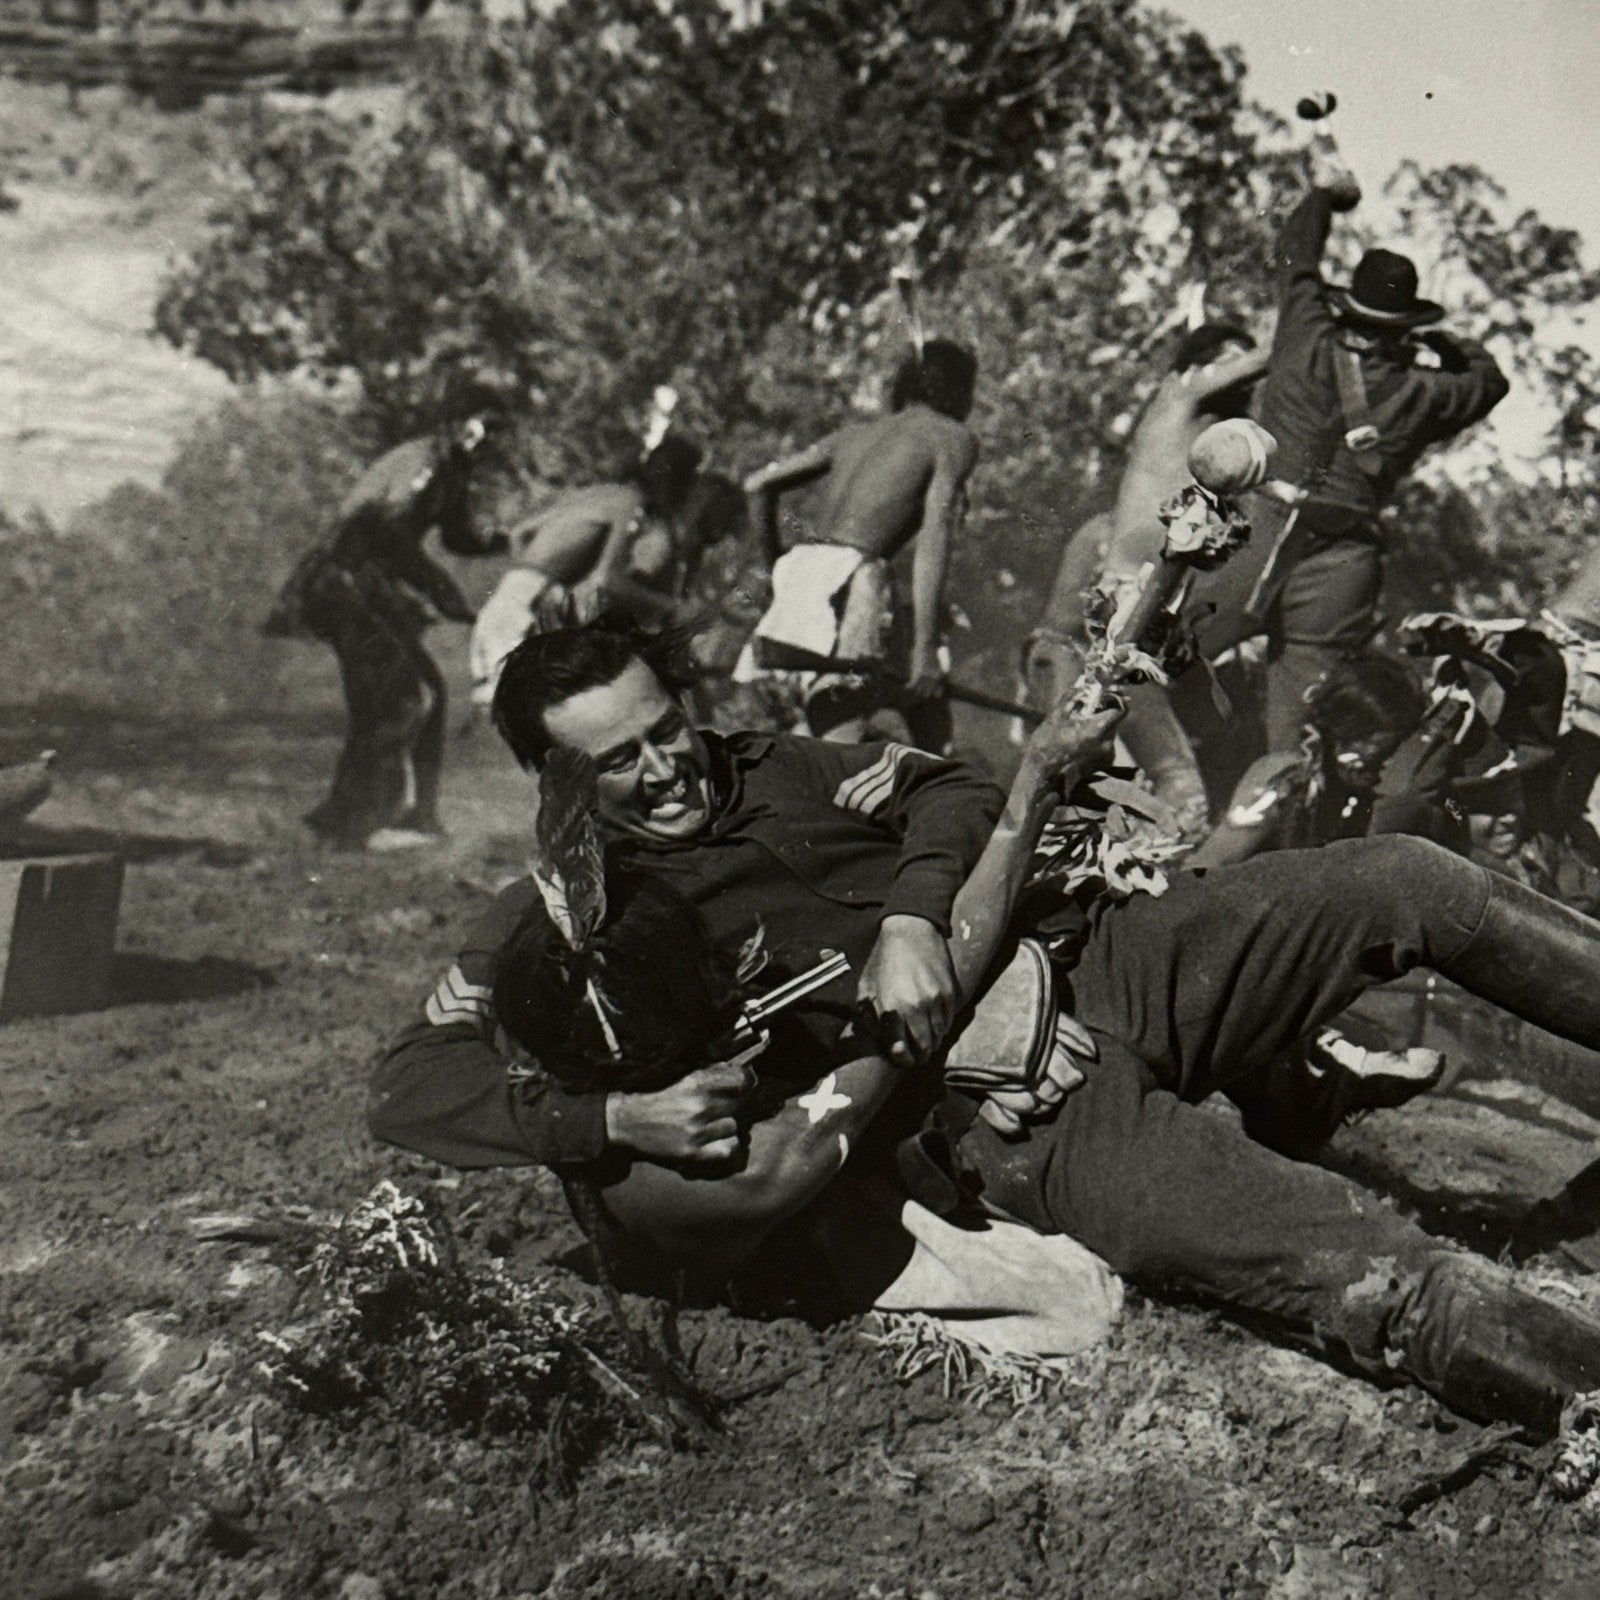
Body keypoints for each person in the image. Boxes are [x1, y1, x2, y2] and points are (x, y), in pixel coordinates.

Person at [371, 614, 1600, 1434]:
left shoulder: (768, 762)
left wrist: (913, 915)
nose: (668, 771)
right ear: (558, 783)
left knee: (1406, 875)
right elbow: (406, 1085)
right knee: (1369, 1264)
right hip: (1009, 1117)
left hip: (1103, 957)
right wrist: (608, 1112)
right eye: (619, 763)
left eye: (666, 731)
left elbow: (948, 789)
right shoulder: (549, 913)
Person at [1179, 167, 1509, 754]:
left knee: (1162, 659)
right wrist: (1441, 340)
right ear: (1404, 323)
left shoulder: (1303, 329)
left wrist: (1324, 198)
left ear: (1347, 306)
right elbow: (1488, 381)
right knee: (1302, 722)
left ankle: (1195, 764)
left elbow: (1296, 254)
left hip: (1255, 526)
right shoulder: (1425, 391)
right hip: (1342, 558)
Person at [1023, 323, 1268, 833]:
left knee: (1197, 762)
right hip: (1122, 612)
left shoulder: (1222, 447)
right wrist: (1298, 339)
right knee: (1178, 792)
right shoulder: (1177, 396)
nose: (1239, 378)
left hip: (1156, 624)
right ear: (1192, 366)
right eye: (1228, 363)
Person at [266, 417, 503, 851]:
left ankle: (410, 816)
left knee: (426, 693)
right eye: (477, 428)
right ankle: (360, 821)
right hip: (345, 581)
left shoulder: (449, 473)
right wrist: (437, 588)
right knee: (400, 699)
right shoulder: (422, 461)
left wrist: (500, 542)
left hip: (368, 585)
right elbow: (380, 528)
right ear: (458, 426)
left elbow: (457, 535)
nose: (484, 442)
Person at [736, 340, 980, 749]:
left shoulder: (853, 435)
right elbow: (933, 542)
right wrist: (924, 649)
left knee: (926, 719)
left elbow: (758, 485)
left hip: (804, 572)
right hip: (853, 582)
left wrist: (776, 568)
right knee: (840, 741)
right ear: (961, 391)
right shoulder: (952, 438)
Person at [468, 436, 712, 710]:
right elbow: (608, 580)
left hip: (504, 605)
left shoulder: (599, 493)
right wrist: (672, 607)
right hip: (523, 617)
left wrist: (538, 576)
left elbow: (519, 534)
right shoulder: (631, 503)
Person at [1188, 650, 1467, 868]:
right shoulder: (1284, 778)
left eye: (1389, 748)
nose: (1379, 760)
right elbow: (1210, 864)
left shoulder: (1371, 796)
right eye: (1370, 744)